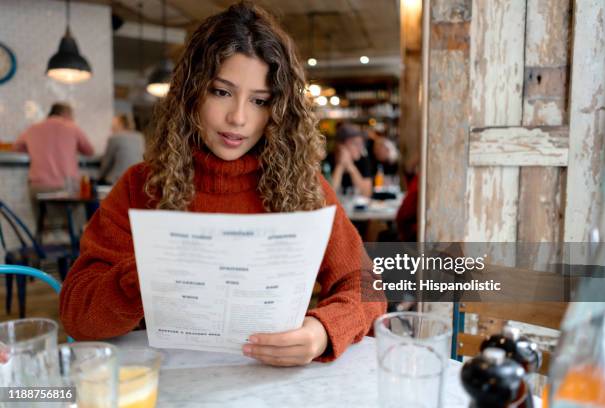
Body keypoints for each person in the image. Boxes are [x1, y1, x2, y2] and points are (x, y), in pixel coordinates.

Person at [60, 2, 386, 367]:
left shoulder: (304, 187)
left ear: (278, 109)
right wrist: (143, 274)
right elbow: (77, 314)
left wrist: (321, 331)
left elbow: (365, 286)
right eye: (221, 92)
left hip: (271, 379)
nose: (238, 118)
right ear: (191, 93)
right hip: (166, 381)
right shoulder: (142, 186)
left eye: (260, 100)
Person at [13, 102, 94, 217]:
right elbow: (89, 151)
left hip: (39, 188)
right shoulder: (72, 127)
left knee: (42, 222)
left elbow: (17, 147)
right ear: (66, 114)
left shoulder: (33, 128)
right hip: (66, 189)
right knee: (79, 215)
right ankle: (74, 233)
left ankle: (42, 233)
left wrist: (36, 148)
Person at [99, 114, 145, 185]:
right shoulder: (140, 137)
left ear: (121, 124)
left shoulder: (115, 138)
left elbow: (106, 164)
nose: (112, 128)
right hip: (136, 180)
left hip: (117, 181)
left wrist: (98, 178)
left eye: (114, 125)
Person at [329, 123, 373, 197]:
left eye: (361, 144)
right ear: (340, 146)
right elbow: (329, 195)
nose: (360, 148)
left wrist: (350, 166)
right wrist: (340, 166)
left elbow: (367, 194)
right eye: (356, 144)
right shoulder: (328, 160)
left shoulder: (364, 160)